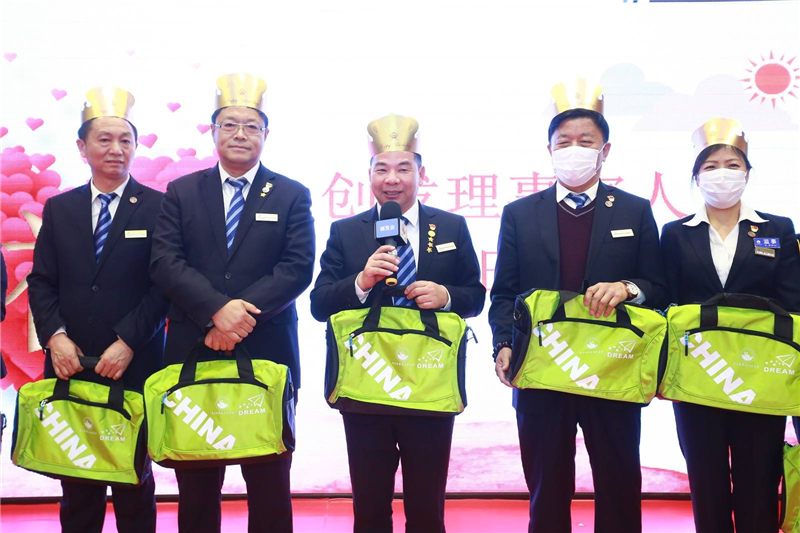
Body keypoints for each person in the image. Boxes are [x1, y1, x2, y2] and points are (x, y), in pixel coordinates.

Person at [489, 79, 667, 533]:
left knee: (619, 480)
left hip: (612, 367)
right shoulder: (519, 213)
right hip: (541, 368)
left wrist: (627, 287)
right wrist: (503, 344)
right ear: (548, 150)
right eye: (563, 142)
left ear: (605, 151)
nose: (574, 150)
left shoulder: (633, 210)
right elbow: (505, 292)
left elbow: (659, 286)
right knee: (547, 485)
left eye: (585, 142)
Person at [150, 72, 315, 533]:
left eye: (251, 126)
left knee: (269, 482)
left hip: (267, 352)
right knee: (197, 483)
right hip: (194, 348)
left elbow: (296, 268)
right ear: (213, 131)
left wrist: (236, 316)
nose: (240, 134)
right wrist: (215, 312)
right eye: (230, 124)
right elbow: (165, 261)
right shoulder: (182, 192)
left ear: (266, 134)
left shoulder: (291, 194)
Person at [310, 113, 485, 533]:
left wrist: (446, 296)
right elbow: (319, 304)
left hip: (429, 382)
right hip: (366, 382)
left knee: (427, 506)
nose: (392, 179)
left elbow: (476, 296)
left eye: (403, 168)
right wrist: (360, 282)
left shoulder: (452, 226)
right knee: (370, 505)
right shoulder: (347, 231)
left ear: (421, 173)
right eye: (382, 169)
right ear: (369, 174)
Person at [27, 87, 168, 533]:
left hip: (133, 364)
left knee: (134, 484)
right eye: (104, 139)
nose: (116, 149)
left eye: (125, 140)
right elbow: (42, 281)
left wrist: (129, 341)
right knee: (77, 484)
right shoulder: (60, 208)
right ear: (82, 146)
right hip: (70, 363)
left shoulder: (160, 208)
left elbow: (163, 286)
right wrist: (55, 338)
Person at [660, 118, 800, 533]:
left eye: (732, 164)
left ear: (748, 173)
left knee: (760, 480)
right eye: (711, 166)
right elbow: (667, 304)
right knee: (707, 480)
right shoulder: (675, 233)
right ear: (696, 176)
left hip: (761, 375)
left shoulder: (777, 229)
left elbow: (792, 302)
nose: (722, 174)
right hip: (698, 374)